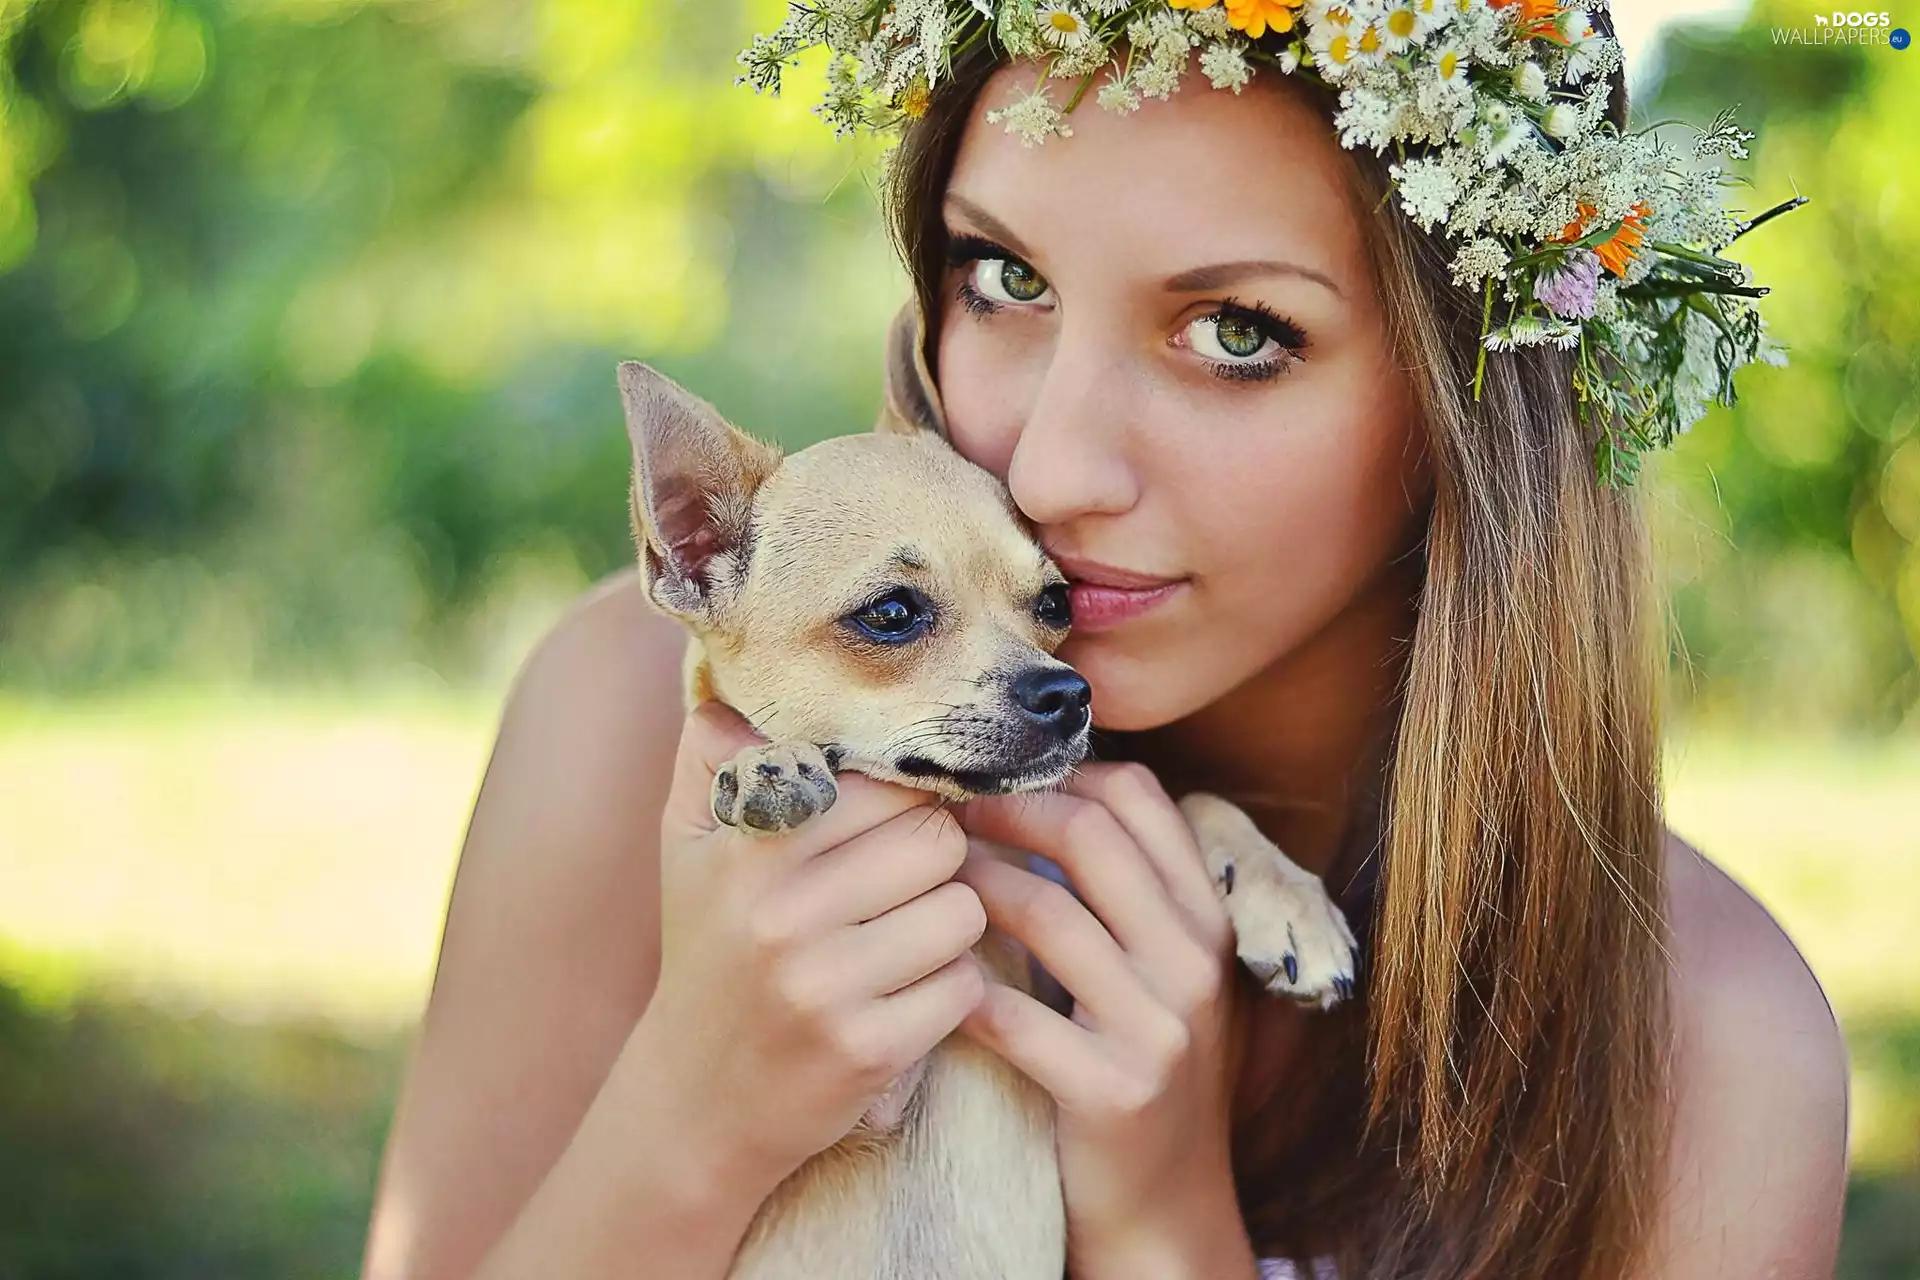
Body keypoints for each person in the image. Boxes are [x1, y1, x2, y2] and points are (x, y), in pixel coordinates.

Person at [360, 6, 1849, 1278]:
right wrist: (695, 1117)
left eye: (1238, 332)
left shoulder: (1709, 1049)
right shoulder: (638, 726)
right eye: (1002, 279)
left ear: (1478, 395)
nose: (1057, 462)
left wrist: (1165, 1232)